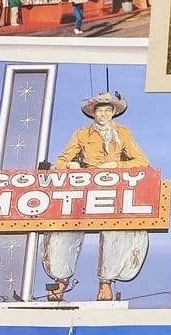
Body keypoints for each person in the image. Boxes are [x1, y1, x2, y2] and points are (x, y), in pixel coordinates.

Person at [40, 91, 151, 303]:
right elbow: (62, 160)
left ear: (112, 113)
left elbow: (142, 161)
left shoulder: (123, 132)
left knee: (115, 230)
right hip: (84, 187)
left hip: (114, 187)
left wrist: (116, 165)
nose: (102, 114)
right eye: (99, 110)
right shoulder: (82, 134)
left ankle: (105, 283)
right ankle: (61, 280)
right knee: (66, 228)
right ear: (93, 113)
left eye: (107, 110)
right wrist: (71, 165)